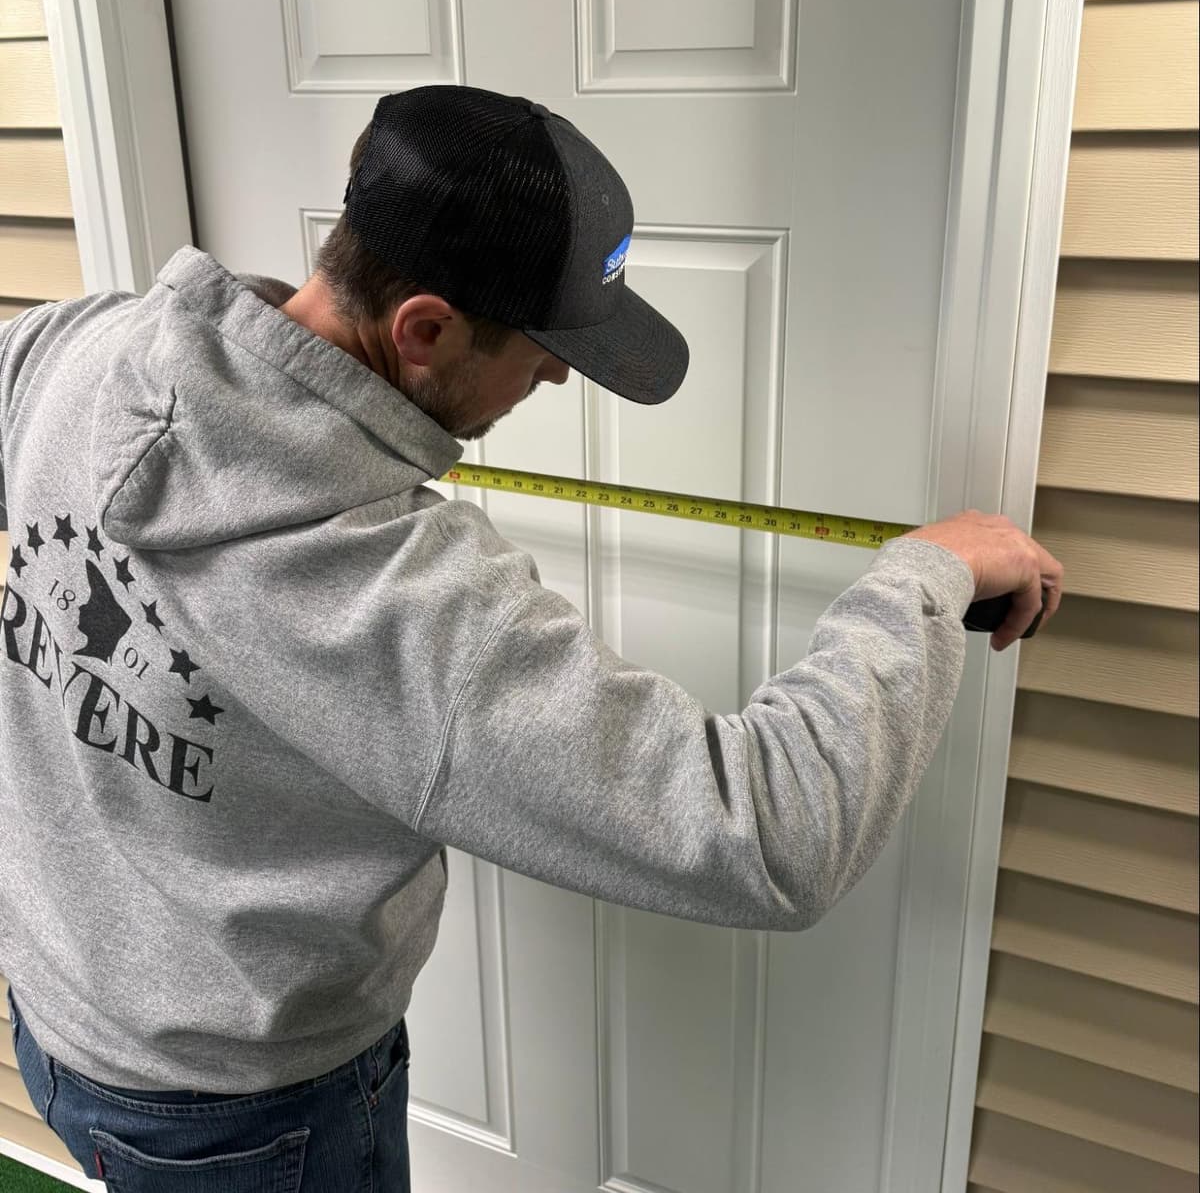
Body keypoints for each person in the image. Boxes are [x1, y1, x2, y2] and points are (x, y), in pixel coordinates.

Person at [0, 85, 1062, 1189]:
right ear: (425, 330)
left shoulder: (81, 349)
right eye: (543, 352)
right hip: (244, 1122)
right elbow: (765, 833)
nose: (554, 376)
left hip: (55, 1021)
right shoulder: (397, 598)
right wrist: (923, 580)